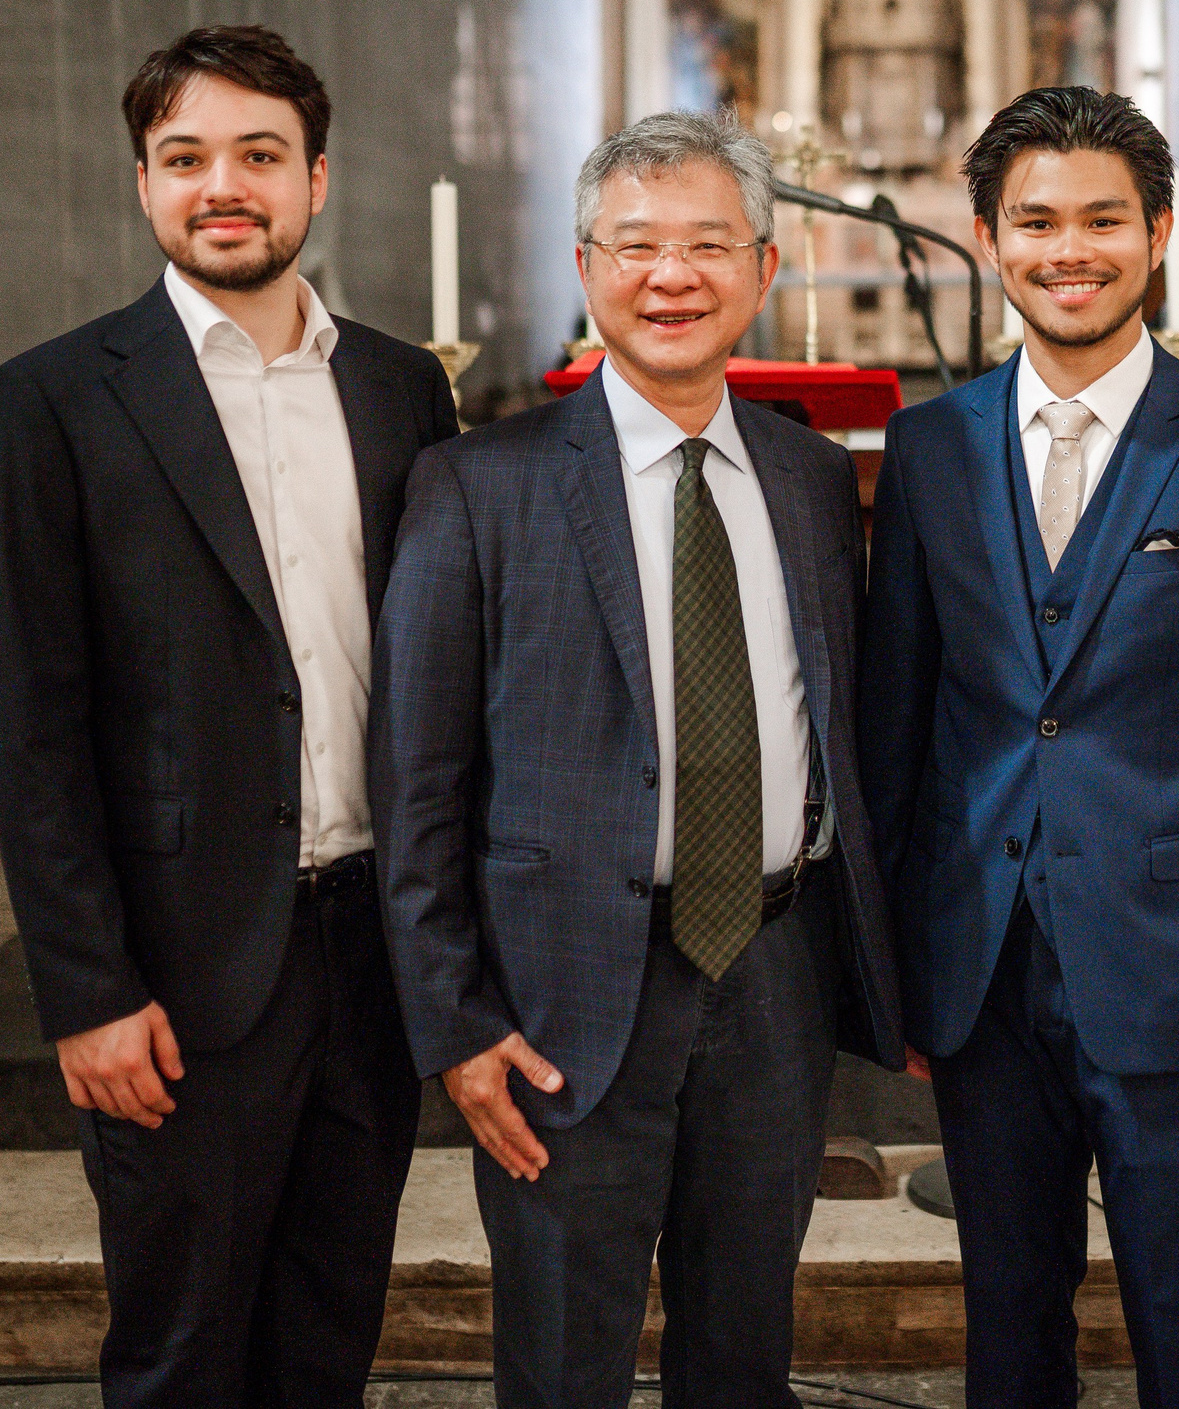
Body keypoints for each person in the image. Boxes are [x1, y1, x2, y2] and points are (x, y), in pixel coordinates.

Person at [0, 25, 458, 1405]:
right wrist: (88, 989)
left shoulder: (401, 386)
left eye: (258, 154)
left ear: (315, 179)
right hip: (179, 966)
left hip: (371, 947)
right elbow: (36, 730)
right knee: (182, 1345)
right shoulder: (51, 400)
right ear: (143, 185)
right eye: (186, 158)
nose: (222, 184)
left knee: (328, 1324)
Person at [372, 111, 904, 1407]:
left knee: (744, 1351)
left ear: (766, 270)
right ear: (586, 264)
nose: (673, 274)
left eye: (710, 244)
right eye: (638, 244)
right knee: (563, 1358)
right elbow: (417, 777)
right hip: (560, 994)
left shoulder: (810, 479)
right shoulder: (475, 485)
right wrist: (455, 1020)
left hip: (773, 977)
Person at [859, 86, 1179, 1409]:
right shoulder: (927, 447)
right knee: (1007, 1313)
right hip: (981, 963)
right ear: (987, 234)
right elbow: (898, 722)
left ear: (1157, 232)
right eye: (1034, 221)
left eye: (1100, 219)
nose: (1066, 249)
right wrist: (904, 962)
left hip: (1177, 969)